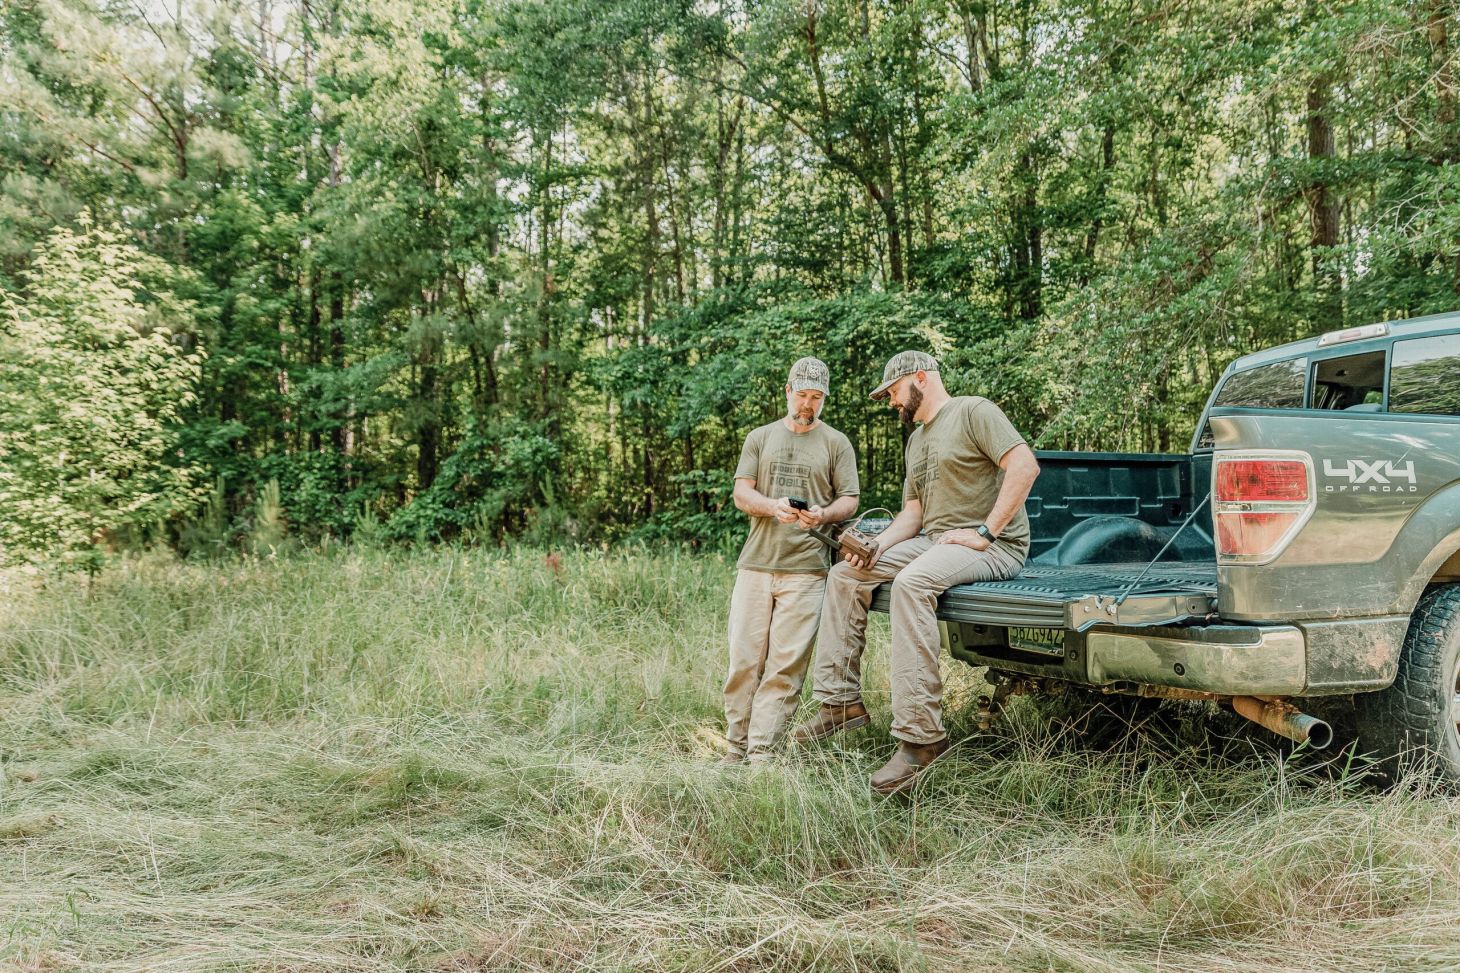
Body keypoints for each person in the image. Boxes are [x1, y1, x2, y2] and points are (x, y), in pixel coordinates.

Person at [791, 351, 1040, 794]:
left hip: (994, 547)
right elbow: (913, 514)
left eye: (892, 392)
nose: (890, 402)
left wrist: (985, 531)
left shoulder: (973, 411)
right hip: (935, 540)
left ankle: (922, 738)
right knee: (846, 576)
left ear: (920, 378)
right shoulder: (916, 441)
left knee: (912, 583)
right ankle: (840, 704)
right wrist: (876, 546)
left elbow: (1025, 465)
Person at [723, 357, 860, 765]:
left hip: (807, 571)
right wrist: (771, 506)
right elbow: (741, 494)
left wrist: (824, 513)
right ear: (787, 390)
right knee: (744, 662)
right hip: (756, 566)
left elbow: (850, 499)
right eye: (801, 394)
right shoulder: (760, 437)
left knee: (785, 668)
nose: (807, 404)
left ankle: (763, 754)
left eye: (816, 397)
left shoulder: (837, 443)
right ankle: (735, 747)